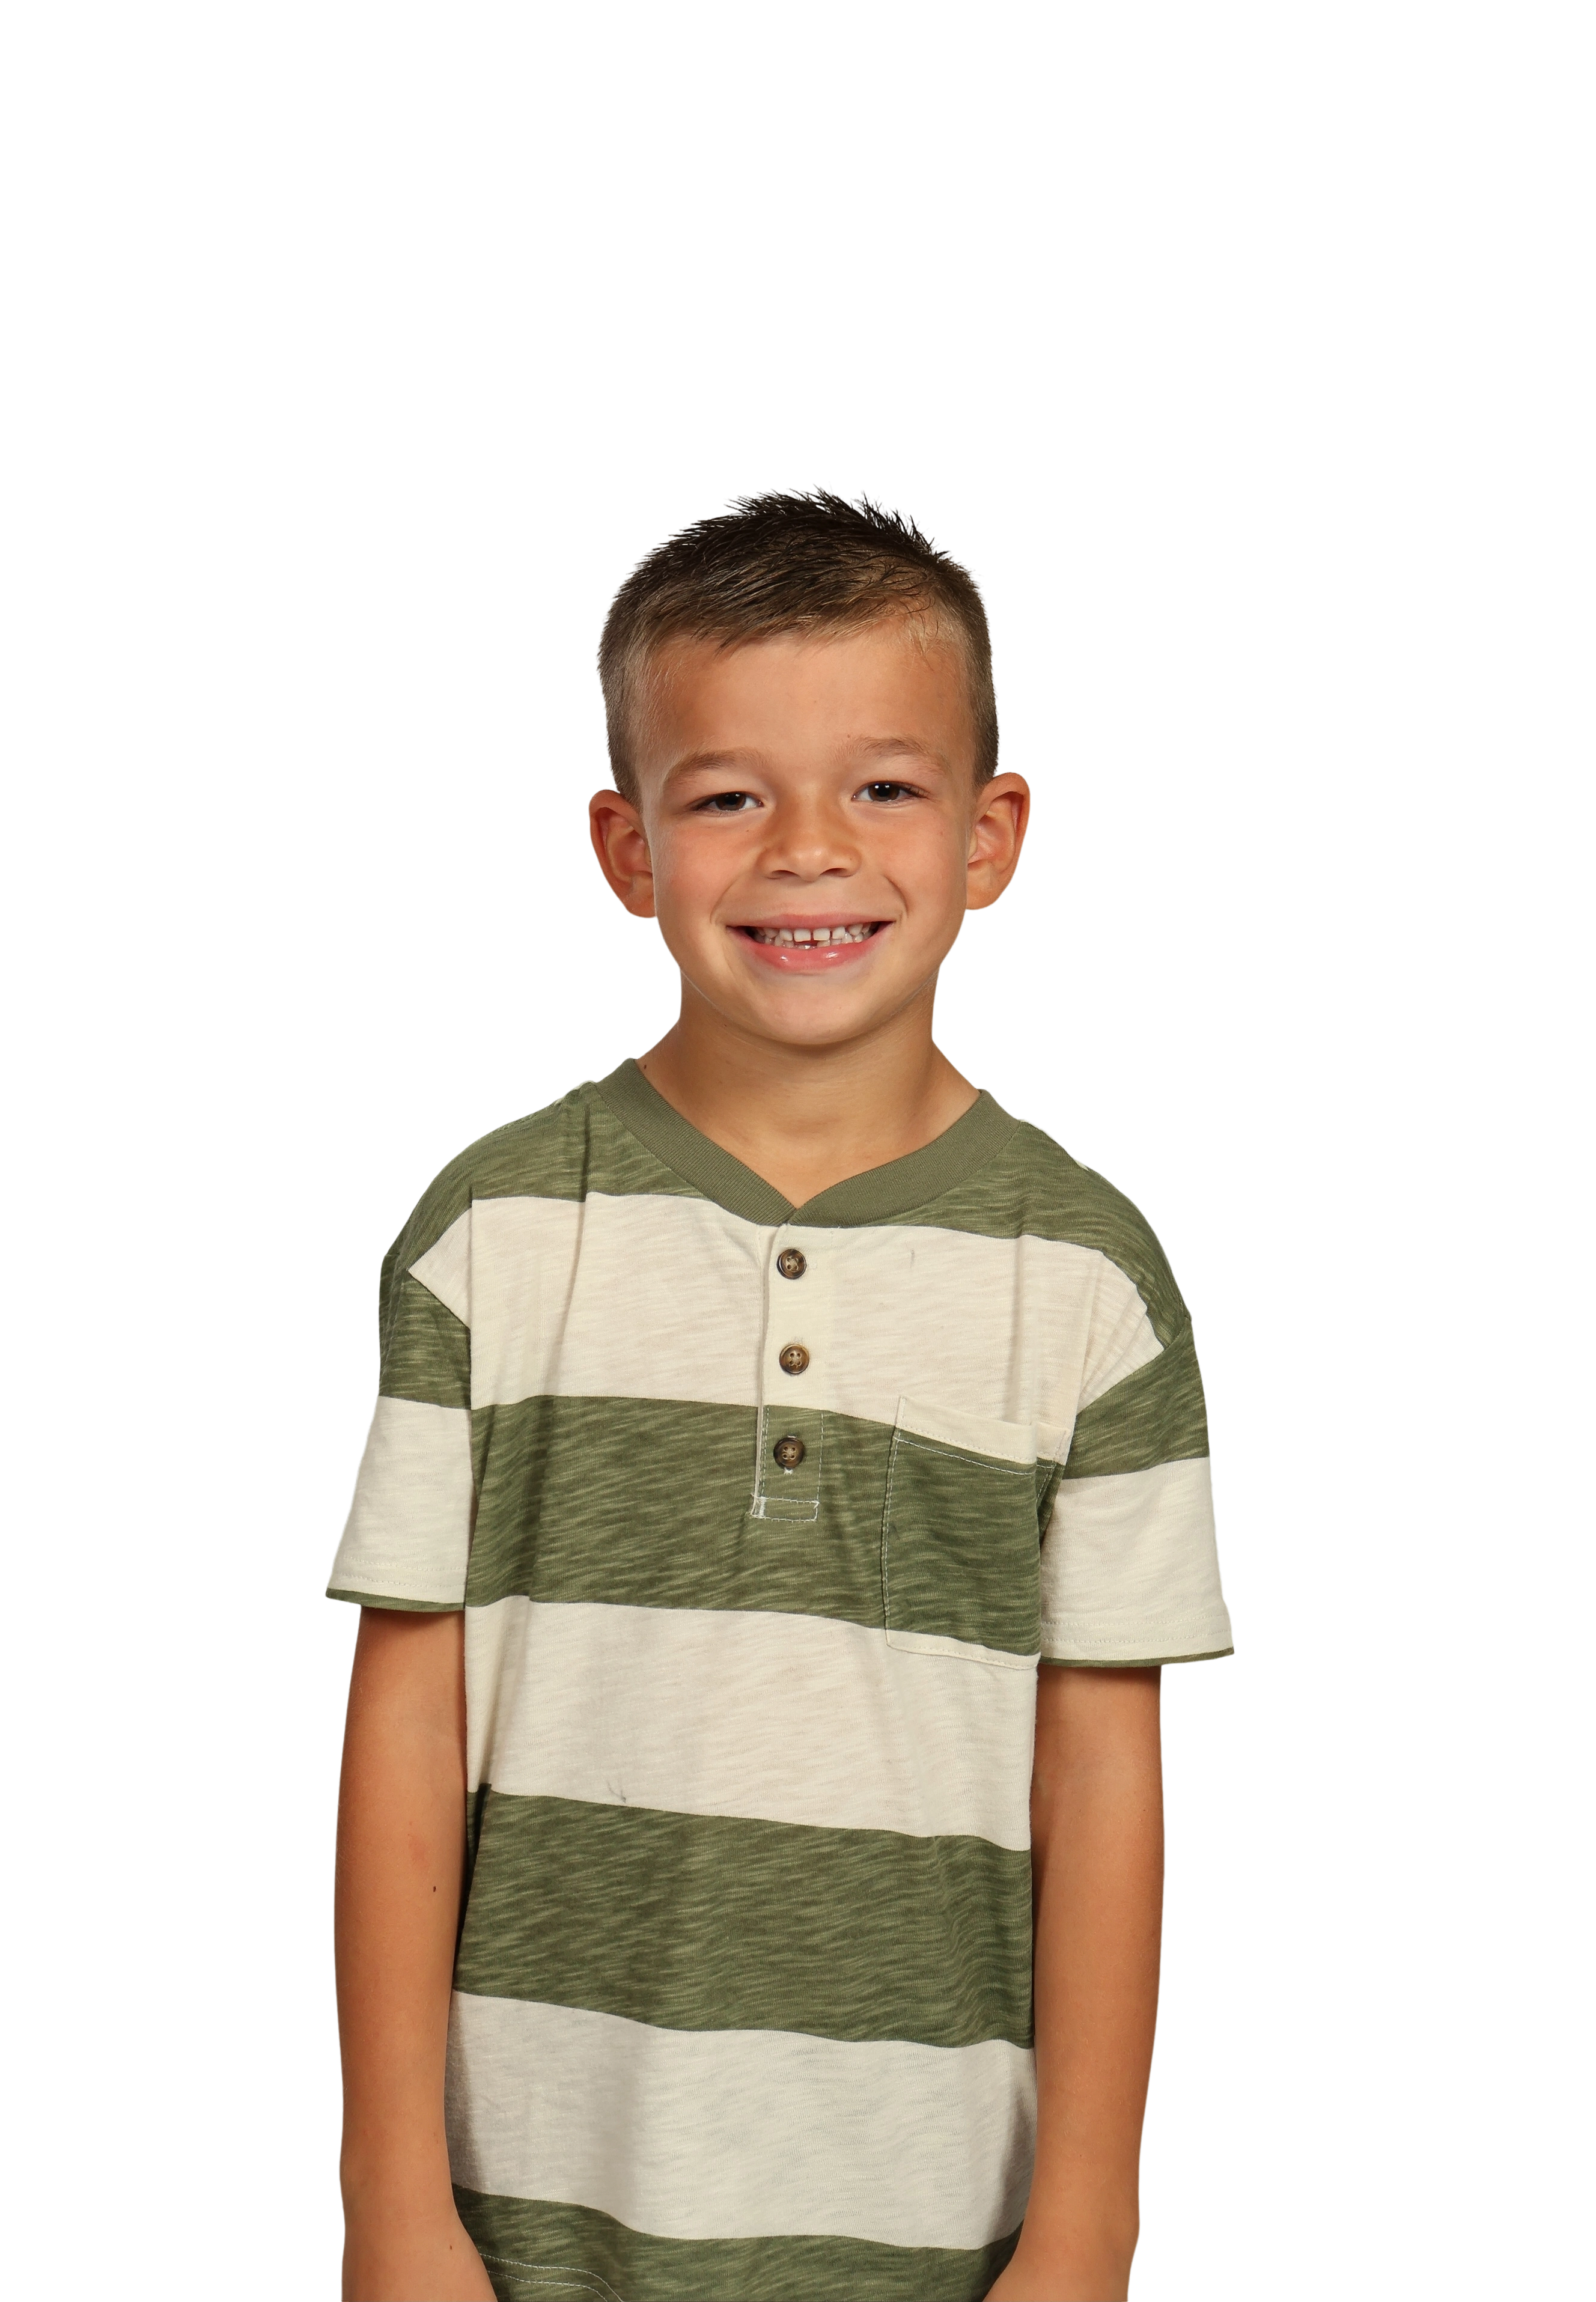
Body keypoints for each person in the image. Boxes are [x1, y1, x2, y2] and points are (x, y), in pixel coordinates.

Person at [326, 483, 1235, 2302]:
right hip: (532, 2218)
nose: (810, 852)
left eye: (883, 788)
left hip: (941, 2228)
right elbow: (408, 1731)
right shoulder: (493, 1233)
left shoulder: (1091, 1274)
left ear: (992, 835)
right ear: (626, 848)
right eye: (730, 796)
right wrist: (393, 2208)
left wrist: (1089, 2225)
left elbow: (1102, 1769)